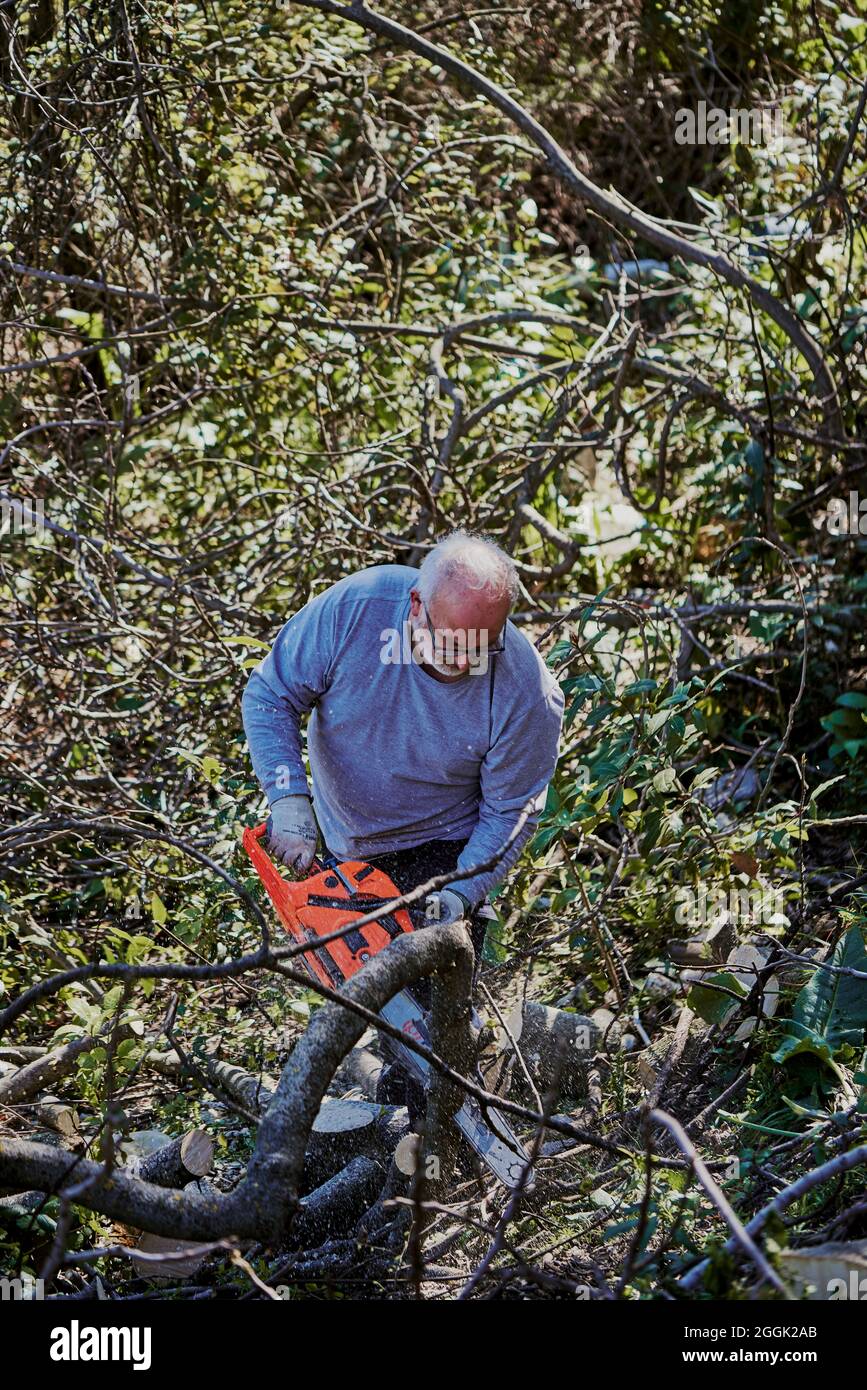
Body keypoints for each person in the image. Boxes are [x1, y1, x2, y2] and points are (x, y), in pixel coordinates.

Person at [241, 531, 564, 1104]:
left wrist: (461, 892)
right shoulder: (357, 610)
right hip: (345, 842)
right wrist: (289, 797)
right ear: (416, 605)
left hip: (444, 848)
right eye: (449, 643)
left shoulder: (526, 693)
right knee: (365, 1007)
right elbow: (270, 693)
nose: (462, 662)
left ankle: (438, 1144)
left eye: (477, 648)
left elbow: (509, 813)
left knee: (434, 1032)